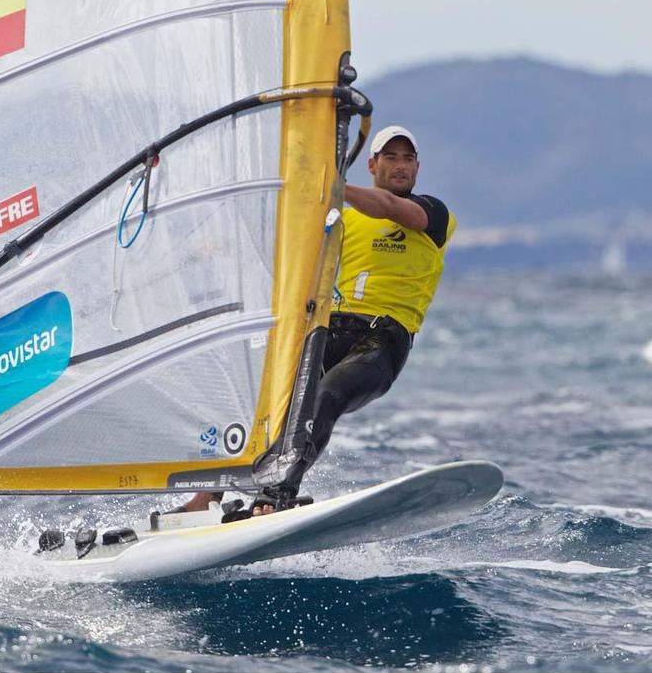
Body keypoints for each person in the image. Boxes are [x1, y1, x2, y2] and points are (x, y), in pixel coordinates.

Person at [179, 125, 455, 515]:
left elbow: (391, 208)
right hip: (330, 329)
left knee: (324, 395)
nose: (400, 166)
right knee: (259, 392)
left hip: (382, 343)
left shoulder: (432, 213)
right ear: (372, 164)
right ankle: (207, 496)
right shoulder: (338, 215)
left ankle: (277, 495)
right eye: (390, 157)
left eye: (408, 158)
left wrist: (332, 186)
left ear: (418, 167)